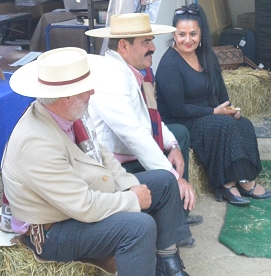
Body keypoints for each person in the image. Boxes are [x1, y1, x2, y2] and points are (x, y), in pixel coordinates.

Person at [2, 47, 192, 276]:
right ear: (66, 96)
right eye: (86, 88)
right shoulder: (35, 142)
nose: (92, 92)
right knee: (139, 228)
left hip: (75, 204)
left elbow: (103, 155)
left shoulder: (71, 113)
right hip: (51, 230)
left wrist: (128, 184)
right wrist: (131, 199)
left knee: (164, 181)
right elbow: (83, 206)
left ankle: (167, 261)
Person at [84, 13, 202, 246]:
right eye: (146, 42)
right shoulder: (109, 75)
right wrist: (172, 175)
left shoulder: (130, 70)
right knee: (166, 176)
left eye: (151, 40)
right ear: (123, 46)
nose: (153, 48)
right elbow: (134, 134)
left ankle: (178, 213)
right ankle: (172, 229)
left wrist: (173, 145)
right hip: (113, 163)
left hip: (127, 150)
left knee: (179, 134)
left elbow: (149, 118)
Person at [155, 4, 271, 206]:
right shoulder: (169, 63)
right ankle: (226, 184)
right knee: (223, 125)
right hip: (182, 121)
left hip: (208, 114)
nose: (187, 40)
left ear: (201, 33)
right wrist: (214, 112)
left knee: (243, 124)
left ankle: (246, 180)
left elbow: (220, 91)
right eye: (181, 34)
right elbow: (177, 109)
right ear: (174, 35)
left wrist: (228, 109)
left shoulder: (206, 55)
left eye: (193, 33)